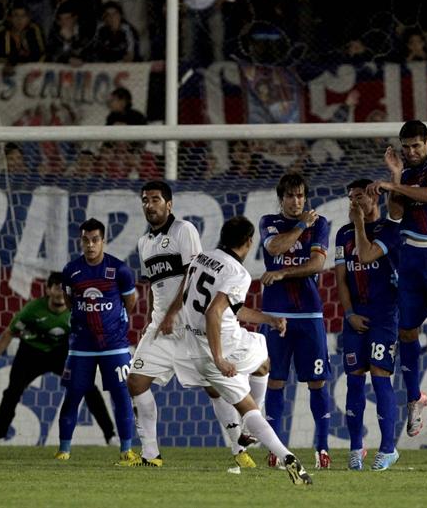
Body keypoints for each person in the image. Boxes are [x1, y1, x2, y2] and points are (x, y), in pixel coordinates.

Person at [159, 216, 312, 485]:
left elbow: (230, 307)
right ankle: (257, 433)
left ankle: (286, 457)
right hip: (223, 344)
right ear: (249, 242)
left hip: (194, 350)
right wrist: (219, 357)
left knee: (249, 402)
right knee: (264, 361)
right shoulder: (237, 273)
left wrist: (268, 319)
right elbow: (214, 312)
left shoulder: (201, 258)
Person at [128, 181, 260, 469]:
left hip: (188, 324)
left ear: (169, 204)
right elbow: (154, 285)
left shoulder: (184, 231)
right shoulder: (143, 243)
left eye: (155, 199)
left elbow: (191, 276)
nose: (149, 205)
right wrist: (151, 318)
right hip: (160, 326)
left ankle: (240, 449)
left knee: (216, 388)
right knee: (135, 381)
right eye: (145, 200)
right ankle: (151, 455)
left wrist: (173, 313)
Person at [366, 120, 427, 439]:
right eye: (405, 147)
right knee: (406, 331)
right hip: (411, 258)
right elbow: (395, 216)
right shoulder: (406, 176)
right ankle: (414, 397)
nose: (410, 152)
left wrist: (395, 186)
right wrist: (396, 176)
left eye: (415, 146)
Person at [0, 272, 115, 444]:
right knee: (12, 392)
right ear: (48, 290)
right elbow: (10, 332)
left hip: (61, 353)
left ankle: (111, 436)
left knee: (89, 388)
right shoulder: (32, 310)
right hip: (31, 353)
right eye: (56, 288)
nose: (60, 293)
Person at [259, 173, 333, 469]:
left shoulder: (322, 224)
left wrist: (283, 273)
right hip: (276, 315)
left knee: (317, 382)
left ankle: (323, 448)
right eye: (290, 196)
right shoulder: (268, 221)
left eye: (301, 195)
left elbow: (317, 264)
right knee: (275, 381)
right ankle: (276, 448)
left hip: (309, 314)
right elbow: (274, 248)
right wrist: (302, 225)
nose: (296, 201)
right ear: (282, 198)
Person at [56, 218, 139, 465]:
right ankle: (63, 450)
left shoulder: (120, 270)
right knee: (72, 397)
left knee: (122, 395)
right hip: (81, 346)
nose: (90, 245)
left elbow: (130, 302)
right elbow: (70, 301)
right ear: (80, 241)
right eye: (85, 240)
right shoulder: (71, 270)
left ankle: (126, 450)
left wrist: (113, 320)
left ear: (103, 240)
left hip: (114, 345)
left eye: (95, 240)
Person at [335, 179, 401, 471]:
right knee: (354, 378)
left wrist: (360, 224)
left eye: (359, 197)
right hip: (356, 315)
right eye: (351, 199)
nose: (355, 203)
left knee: (380, 374)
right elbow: (341, 278)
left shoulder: (390, 230)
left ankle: (388, 449)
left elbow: (364, 255)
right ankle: (355, 448)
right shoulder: (342, 234)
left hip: (385, 314)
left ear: (374, 198)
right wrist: (349, 314)